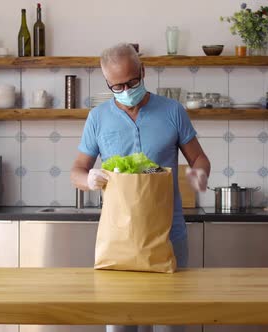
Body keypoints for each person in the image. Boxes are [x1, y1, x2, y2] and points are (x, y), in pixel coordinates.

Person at [70, 43, 211, 332]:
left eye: (132, 82)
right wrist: (89, 179)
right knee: (120, 325)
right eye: (117, 85)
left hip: (170, 235)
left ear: (143, 72)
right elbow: (77, 171)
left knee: (170, 324)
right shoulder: (98, 118)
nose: (126, 90)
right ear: (107, 83)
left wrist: (200, 174)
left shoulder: (172, 111)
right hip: (119, 237)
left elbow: (198, 157)